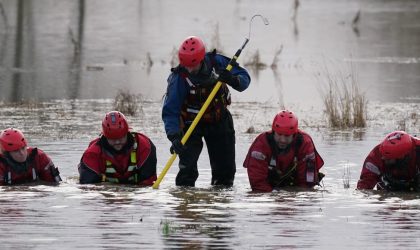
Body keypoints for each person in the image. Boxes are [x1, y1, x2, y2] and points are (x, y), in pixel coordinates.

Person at [162, 35, 251, 187]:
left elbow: (244, 79)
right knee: (187, 171)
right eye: (186, 65)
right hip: (190, 124)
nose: (190, 69)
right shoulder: (179, 78)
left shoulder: (218, 62)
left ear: (201, 59)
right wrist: (174, 136)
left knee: (225, 172)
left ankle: (219, 204)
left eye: (193, 65)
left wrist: (232, 79)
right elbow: (170, 110)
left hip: (219, 120)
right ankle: (185, 203)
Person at [243, 110, 324, 192]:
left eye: (287, 136)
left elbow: (307, 185)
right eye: (279, 134)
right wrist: (275, 197)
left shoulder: (305, 144)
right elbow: (258, 185)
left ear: (294, 134)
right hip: (268, 189)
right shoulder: (261, 144)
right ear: (273, 132)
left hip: (295, 189)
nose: (282, 140)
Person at [78, 111, 157, 185]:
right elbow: (88, 188)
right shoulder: (92, 154)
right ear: (105, 137)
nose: (117, 142)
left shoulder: (144, 146)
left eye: (121, 138)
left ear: (127, 133)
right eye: (113, 139)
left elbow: (148, 183)